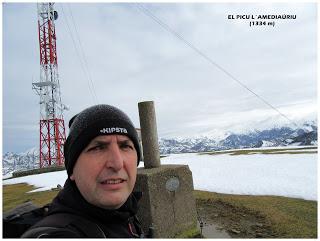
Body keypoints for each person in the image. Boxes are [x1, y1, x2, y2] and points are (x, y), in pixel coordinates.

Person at [21, 104, 144, 238]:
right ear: (72, 169)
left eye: (125, 146)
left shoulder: (126, 214)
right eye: (98, 148)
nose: (117, 163)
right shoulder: (59, 235)